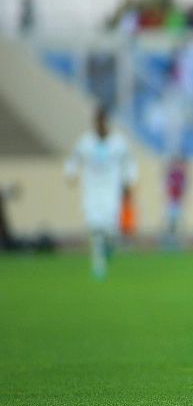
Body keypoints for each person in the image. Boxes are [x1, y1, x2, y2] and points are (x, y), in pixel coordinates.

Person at [65, 107, 138, 279]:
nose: (100, 124)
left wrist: (129, 181)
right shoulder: (86, 142)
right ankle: (98, 265)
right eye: (97, 121)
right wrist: (71, 173)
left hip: (111, 191)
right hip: (92, 191)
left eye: (102, 121)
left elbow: (129, 163)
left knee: (111, 230)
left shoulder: (118, 143)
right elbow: (74, 159)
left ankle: (109, 247)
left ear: (107, 122)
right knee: (95, 227)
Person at [162, 154, 188, 249]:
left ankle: (178, 241)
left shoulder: (182, 175)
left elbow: (185, 187)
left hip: (179, 201)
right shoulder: (171, 174)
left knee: (179, 222)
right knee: (170, 222)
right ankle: (169, 240)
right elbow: (166, 186)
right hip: (171, 201)